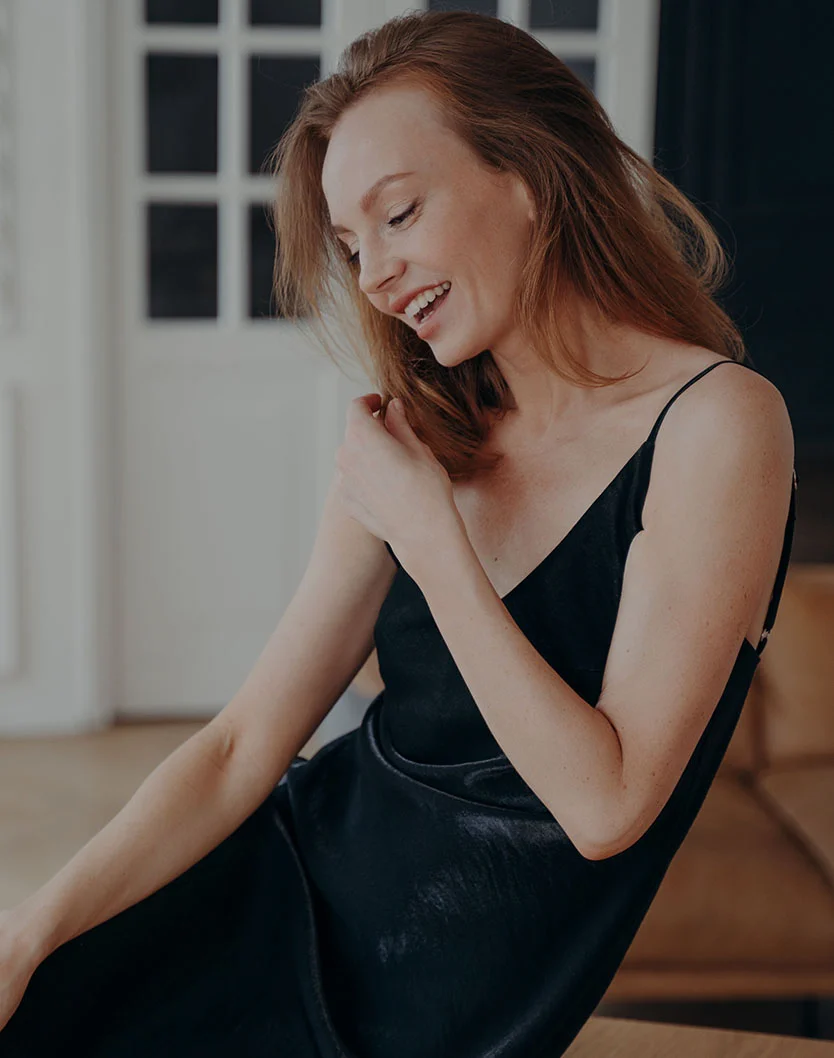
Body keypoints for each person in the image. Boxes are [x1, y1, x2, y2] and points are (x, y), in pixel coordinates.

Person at [0, 10, 796, 1056]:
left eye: (400, 213)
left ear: (531, 173)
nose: (372, 275)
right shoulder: (421, 427)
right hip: (275, 894)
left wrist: (430, 533)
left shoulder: (717, 425)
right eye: (349, 244)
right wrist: (29, 927)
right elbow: (243, 745)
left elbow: (606, 805)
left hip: (426, 1010)